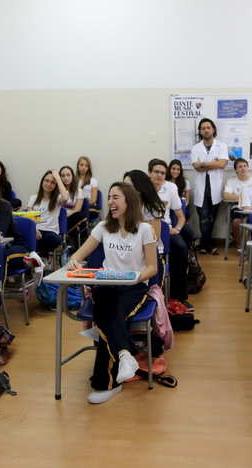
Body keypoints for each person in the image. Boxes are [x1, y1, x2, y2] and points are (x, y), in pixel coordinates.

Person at [67, 182, 157, 404]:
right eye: (109, 197)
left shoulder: (145, 229)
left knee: (109, 315)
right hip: (107, 284)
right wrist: (74, 263)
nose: (110, 202)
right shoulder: (104, 227)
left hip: (134, 286)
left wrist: (133, 278)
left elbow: (153, 268)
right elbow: (78, 255)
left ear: (129, 201)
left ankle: (105, 382)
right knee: (109, 308)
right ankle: (125, 355)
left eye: (115, 197)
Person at [148, 158, 191, 305]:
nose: (159, 175)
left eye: (162, 173)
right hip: (145, 228)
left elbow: (181, 216)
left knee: (181, 248)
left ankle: (179, 297)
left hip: (165, 228)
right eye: (156, 172)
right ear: (149, 173)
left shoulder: (171, 188)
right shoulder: (141, 188)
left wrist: (177, 228)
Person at [191, 118, 228, 254]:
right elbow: (196, 167)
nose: (206, 130)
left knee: (211, 218)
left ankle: (204, 245)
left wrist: (204, 164)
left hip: (215, 189)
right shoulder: (196, 148)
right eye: (203, 128)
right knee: (203, 218)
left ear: (213, 130)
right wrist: (213, 162)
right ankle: (208, 245)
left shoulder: (222, 146)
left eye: (208, 127)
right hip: (202, 189)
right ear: (200, 131)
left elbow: (222, 164)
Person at [27, 170, 70, 256]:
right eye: (47, 181)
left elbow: (65, 197)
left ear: (56, 185)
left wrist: (58, 178)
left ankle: (42, 258)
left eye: (52, 183)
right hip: (36, 231)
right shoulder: (33, 198)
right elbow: (29, 218)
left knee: (51, 238)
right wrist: (34, 230)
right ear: (42, 181)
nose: (49, 184)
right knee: (29, 238)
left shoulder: (58, 199)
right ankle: (43, 260)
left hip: (51, 233)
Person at [123, 169, 164, 248]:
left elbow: (155, 237)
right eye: (123, 186)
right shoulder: (122, 204)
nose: (124, 190)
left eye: (128, 187)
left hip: (147, 246)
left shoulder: (152, 208)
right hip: (126, 245)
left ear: (139, 188)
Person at [223, 158, 252, 247]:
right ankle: (238, 243)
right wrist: (244, 197)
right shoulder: (231, 181)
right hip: (237, 207)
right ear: (236, 170)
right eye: (240, 167)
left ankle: (251, 245)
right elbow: (226, 196)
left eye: (245, 166)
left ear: (248, 168)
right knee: (236, 222)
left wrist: (238, 197)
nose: (243, 168)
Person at [59, 165, 85, 232]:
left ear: (72, 176)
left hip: (70, 216)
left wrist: (65, 215)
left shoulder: (79, 191)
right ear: (59, 178)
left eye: (68, 175)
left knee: (79, 215)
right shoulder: (56, 191)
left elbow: (77, 209)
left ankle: (65, 236)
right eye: (63, 176)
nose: (66, 178)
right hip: (56, 216)